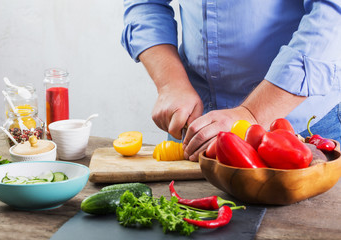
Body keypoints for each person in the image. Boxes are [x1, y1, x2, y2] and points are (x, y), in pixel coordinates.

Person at [121, 0, 341, 161]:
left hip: (301, 131)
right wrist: (170, 83)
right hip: (194, 125)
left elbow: (331, 16)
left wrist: (253, 114)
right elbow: (145, 4)